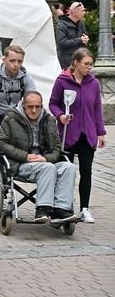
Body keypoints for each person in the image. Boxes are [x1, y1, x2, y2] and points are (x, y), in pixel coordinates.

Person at [0, 91, 78, 224]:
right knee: (48, 168)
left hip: (44, 161)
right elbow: (0, 143)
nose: (34, 110)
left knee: (68, 167)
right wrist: (25, 156)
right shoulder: (10, 119)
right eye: (30, 107)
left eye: (37, 107)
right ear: (23, 105)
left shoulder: (49, 120)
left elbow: (57, 147)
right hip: (21, 164)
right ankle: (43, 208)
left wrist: (46, 158)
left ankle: (61, 209)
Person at [49, 48, 105, 224]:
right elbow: (53, 103)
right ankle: (62, 206)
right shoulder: (62, 81)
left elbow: (97, 108)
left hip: (87, 134)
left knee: (86, 172)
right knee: (66, 171)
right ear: (76, 63)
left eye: (91, 64)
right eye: (86, 64)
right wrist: (60, 115)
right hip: (68, 133)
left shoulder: (93, 83)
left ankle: (84, 209)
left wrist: (101, 132)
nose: (89, 67)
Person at [0, 45, 37, 128]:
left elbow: (33, 99)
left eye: (19, 61)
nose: (16, 65)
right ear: (4, 60)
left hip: (17, 117)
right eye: (12, 61)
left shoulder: (26, 78)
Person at [56, 1, 88, 69]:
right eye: (82, 11)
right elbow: (62, 42)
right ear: (75, 12)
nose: (84, 13)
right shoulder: (62, 25)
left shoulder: (81, 24)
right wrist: (80, 40)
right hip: (67, 62)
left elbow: (83, 40)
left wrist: (85, 40)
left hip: (80, 61)